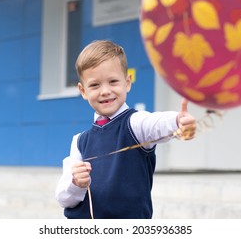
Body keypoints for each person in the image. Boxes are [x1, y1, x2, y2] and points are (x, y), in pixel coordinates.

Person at [55, 40, 196, 219]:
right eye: (95, 85)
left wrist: (178, 121)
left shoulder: (135, 124)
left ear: (127, 82)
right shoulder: (79, 141)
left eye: (113, 81)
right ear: (83, 91)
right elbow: (64, 199)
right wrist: (76, 184)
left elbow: (156, 123)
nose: (105, 91)